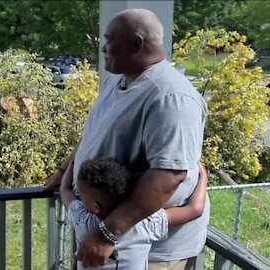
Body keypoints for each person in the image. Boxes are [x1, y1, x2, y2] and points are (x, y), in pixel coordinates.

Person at [46, 9, 208, 269]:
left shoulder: (171, 97)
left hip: (148, 253)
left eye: (110, 40)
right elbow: (93, 131)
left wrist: (106, 233)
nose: (103, 48)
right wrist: (65, 169)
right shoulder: (116, 81)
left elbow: (169, 175)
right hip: (105, 237)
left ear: (136, 44)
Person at [60, 157, 208, 269]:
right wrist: (203, 177)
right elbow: (195, 209)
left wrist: (71, 163)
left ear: (96, 207)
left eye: (82, 196)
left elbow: (64, 190)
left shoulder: (83, 220)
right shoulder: (145, 223)